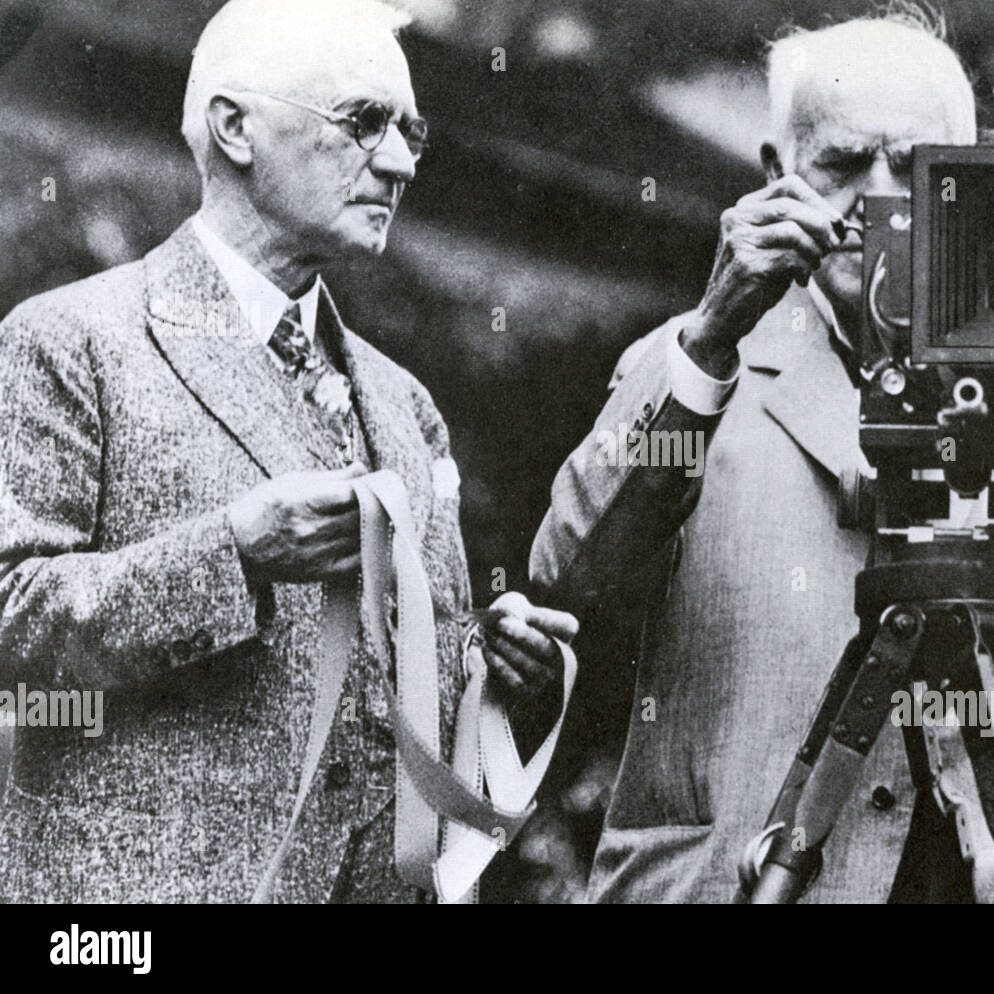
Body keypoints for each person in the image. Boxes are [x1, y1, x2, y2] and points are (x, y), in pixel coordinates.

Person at [0, 0, 573, 903]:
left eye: (411, 131)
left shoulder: (405, 404)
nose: (399, 162)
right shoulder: (69, 342)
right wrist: (233, 556)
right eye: (364, 123)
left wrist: (488, 663)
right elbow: (11, 619)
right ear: (235, 127)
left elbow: (412, 695)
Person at [531, 10, 994, 902]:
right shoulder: (696, 361)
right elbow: (567, 583)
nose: (880, 198)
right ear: (776, 177)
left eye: (915, 164)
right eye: (844, 165)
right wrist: (710, 339)